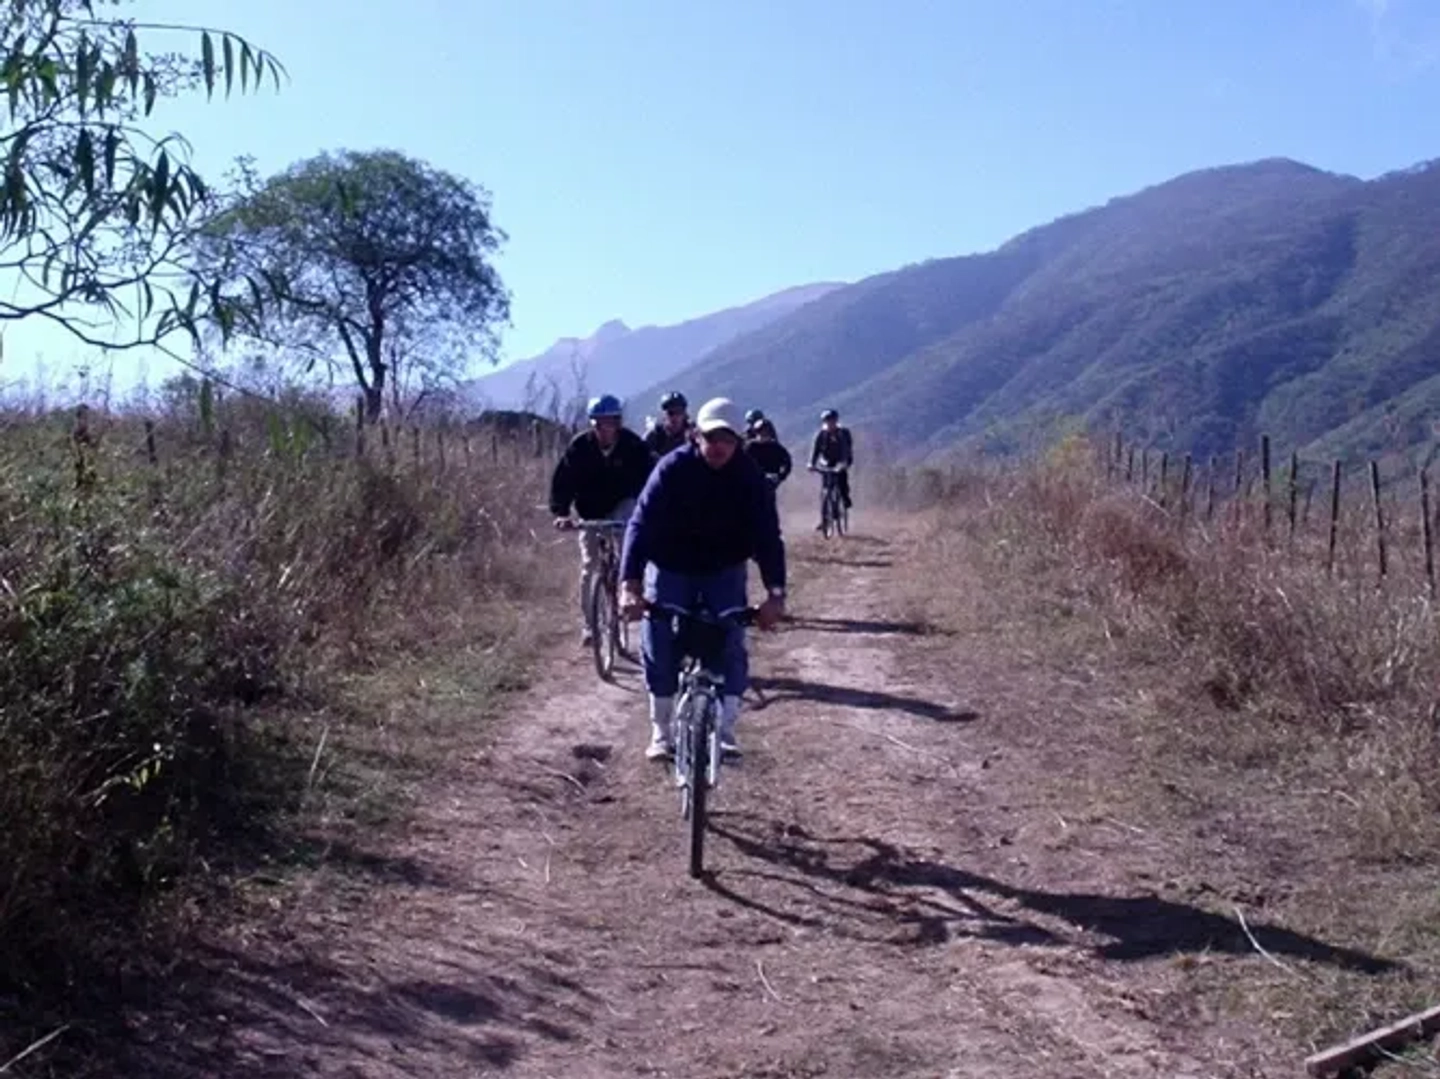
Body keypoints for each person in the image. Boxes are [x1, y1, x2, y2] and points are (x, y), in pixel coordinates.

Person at [619, 397, 786, 761]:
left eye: (728, 439)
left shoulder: (750, 478)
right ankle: (660, 731)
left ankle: (725, 730)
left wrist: (775, 594)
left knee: (731, 641)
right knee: (658, 638)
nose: (719, 446)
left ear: (739, 441)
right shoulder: (671, 469)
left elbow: (768, 537)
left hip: (723, 569)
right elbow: (640, 525)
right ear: (696, 435)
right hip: (671, 566)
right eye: (712, 437)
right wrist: (630, 585)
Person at [549, 394, 653, 645]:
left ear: (618, 423)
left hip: (622, 505)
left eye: (609, 423)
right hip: (590, 511)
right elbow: (563, 481)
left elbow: (650, 479)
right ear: (592, 424)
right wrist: (561, 513)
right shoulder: (580, 447)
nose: (604, 429)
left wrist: (650, 511)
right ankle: (590, 624)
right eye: (598, 423)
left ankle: (630, 593)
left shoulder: (633, 446)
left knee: (628, 549)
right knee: (590, 567)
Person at [808, 408, 854, 528]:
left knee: (841, 481)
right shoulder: (821, 434)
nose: (829, 423)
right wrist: (811, 464)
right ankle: (825, 518)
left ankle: (844, 500)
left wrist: (843, 463)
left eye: (832, 421)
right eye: (827, 421)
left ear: (836, 420)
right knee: (825, 489)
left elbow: (846, 449)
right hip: (826, 461)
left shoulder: (843, 433)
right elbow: (815, 450)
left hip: (842, 459)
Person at [644, 390, 692, 463]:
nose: (675, 417)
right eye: (670, 413)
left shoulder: (693, 434)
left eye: (679, 412)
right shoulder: (654, 436)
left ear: (684, 413)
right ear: (664, 415)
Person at [745, 418, 792, 488]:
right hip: (751, 484)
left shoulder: (776, 448)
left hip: (769, 486)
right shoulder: (750, 447)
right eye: (760, 431)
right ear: (756, 432)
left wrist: (780, 477)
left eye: (766, 432)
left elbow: (787, 463)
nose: (763, 434)